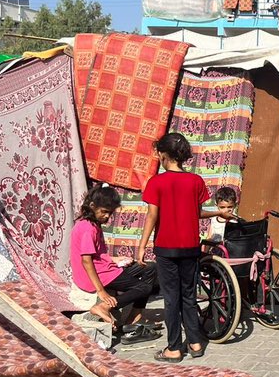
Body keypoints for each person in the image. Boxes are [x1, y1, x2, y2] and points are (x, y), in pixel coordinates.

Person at [137, 132, 224, 362]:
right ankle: (195, 343)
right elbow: (197, 213)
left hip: (166, 249)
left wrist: (141, 246)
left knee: (171, 299)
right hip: (190, 249)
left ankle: (174, 348)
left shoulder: (156, 182)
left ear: (164, 155)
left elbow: (152, 216)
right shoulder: (195, 181)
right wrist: (217, 212)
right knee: (188, 296)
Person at [69, 185, 160, 342]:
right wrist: (101, 292)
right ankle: (104, 307)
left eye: (109, 213)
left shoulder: (93, 224)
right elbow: (86, 261)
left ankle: (134, 317)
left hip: (103, 268)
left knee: (150, 268)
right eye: (104, 211)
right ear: (92, 206)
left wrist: (114, 259)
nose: (106, 216)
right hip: (96, 275)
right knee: (144, 287)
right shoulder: (87, 228)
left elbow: (96, 255)